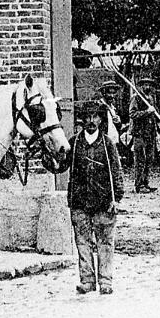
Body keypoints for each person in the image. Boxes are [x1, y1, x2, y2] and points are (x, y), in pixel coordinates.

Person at [67, 99, 123, 295]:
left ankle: (106, 281)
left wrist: (117, 198)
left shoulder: (108, 144)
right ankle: (87, 281)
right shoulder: (74, 144)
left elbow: (116, 172)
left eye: (96, 117)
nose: (91, 121)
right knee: (82, 243)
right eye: (88, 117)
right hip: (80, 201)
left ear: (101, 120)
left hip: (103, 201)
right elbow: (60, 165)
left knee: (105, 243)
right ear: (82, 120)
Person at [129, 78, 160, 193]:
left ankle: (145, 183)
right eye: (145, 85)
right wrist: (147, 112)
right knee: (140, 160)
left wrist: (155, 132)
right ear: (140, 86)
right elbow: (132, 114)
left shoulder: (151, 98)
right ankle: (138, 185)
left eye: (149, 85)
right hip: (139, 133)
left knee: (149, 159)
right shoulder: (136, 98)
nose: (147, 87)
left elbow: (153, 117)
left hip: (150, 133)